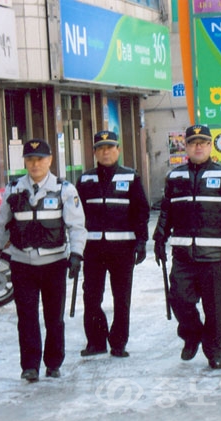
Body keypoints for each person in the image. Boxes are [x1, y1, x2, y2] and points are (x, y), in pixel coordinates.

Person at [0, 138, 87, 382]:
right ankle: (29, 366)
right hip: (22, 264)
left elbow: (77, 226)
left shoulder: (65, 189)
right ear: (24, 162)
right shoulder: (13, 189)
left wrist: (76, 254)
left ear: (50, 160)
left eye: (40, 159)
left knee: (54, 318)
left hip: (54, 264)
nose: (35, 164)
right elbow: (2, 224)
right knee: (27, 317)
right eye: (30, 160)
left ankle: (53, 363)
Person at [153, 124, 221, 369]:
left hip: (217, 256)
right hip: (184, 255)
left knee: (215, 308)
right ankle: (192, 335)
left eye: (203, 142)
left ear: (210, 145)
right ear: (186, 146)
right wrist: (159, 237)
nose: (198, 146)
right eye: (193, 142)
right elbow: (166, 211)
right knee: (179, 299)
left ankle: (214, 350)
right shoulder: (175, 177)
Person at [75, 130, 150, 358]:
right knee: (91, 296)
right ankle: (96, 341)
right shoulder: (85, 180)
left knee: (121, 297)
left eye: (110, 147)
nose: (105, 152)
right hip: (93, 249)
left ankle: (118, 342)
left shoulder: (131, 177)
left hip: (123, 249)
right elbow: (76, 215)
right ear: (95, 152)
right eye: (100, 148)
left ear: (118, 150)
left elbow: (141, 211)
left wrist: (141, 241)